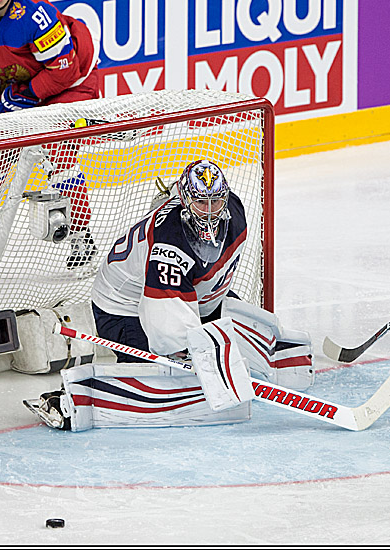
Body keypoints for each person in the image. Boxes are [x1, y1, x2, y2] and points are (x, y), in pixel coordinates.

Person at [24, 159, 314, 431]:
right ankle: (68, 399)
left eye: (215, 201)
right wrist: (192, 357)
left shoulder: (234, 211)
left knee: (231, 348)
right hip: (124, 307)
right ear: (185, 201)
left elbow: (209, 271)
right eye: (201, 202)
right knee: (166, 376)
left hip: (191, 292)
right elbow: (167, 326)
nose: (210, 211)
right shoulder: (169, 244)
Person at [0, 0, 102, 268]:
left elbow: (64, 69)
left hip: (70, 84)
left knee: (58, 150)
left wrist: (23, 96)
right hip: (21, 84)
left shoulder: (32, 13)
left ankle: (81, 237)